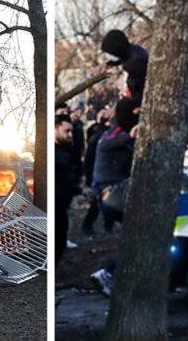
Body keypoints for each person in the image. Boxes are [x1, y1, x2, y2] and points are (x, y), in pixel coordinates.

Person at [88, 99, 140, 297]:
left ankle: (111, 274)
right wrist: (130, 135)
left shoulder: (118, 135)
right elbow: (108, 144)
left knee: (135, 240)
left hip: (112, 196)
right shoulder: (114, 135)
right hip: (113, 194)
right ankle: (109, 273)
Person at [80, 103, 113, 236]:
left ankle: (107, 225)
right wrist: (89, 177)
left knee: (108, 200)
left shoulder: (103, 135)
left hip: (103, 173)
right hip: (97, 174)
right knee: (97, 202)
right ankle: (88, 225)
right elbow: (89, 160)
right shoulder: (98, 138)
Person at [55, 112, 80, 263]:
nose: (70, 135)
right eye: (67, 131)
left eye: (71, 131)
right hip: (56, 207)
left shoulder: (66, 150)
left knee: (60, 244)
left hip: (62, 206)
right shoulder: (54, 154)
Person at [100, 29, 149, 101]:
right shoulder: (134, 50)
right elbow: (123, 58)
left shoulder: (135, 63)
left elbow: (139, 88)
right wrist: (109, 63)